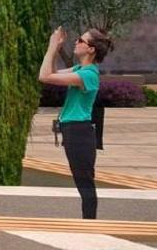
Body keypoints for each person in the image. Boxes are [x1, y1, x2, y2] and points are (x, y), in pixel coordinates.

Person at [39, 26, 113, 220]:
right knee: (83, 182)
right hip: (74, 131)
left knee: (85, 184)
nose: (76, 42)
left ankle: (89, 225)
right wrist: (55, 49)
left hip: (79, 133)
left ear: (91, 49)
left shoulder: (88, 75)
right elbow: (53, 72)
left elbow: (44, 76)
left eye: (81, 40)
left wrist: (51, 46)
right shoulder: (81, 69)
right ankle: (89, 224)